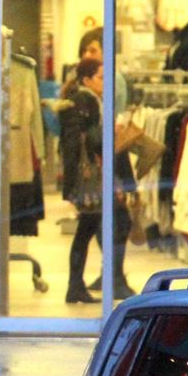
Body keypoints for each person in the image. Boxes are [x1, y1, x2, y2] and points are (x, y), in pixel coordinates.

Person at [61, 57, 135, 303]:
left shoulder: (88, 100)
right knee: (115, 222)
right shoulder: (87, 101)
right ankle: (110, 281)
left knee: (89, 228)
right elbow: (90, 140)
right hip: (93, 178)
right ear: (87, 80)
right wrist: (112, 133)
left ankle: (81, 285)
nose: (106, 82)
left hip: (91, 177)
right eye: (101, 78)